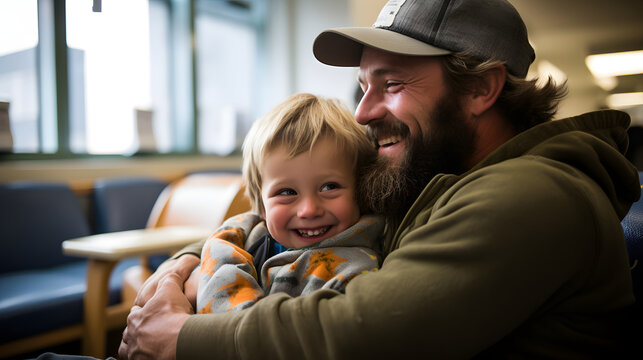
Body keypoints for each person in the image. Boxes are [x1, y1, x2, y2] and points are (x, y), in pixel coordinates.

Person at [118, 0, 641, 358]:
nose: (364, 113)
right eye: (363, 87)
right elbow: (265, 223)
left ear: (481, 87)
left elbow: (355, 337)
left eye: (391, 84)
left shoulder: (534, 194)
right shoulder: (432, 173)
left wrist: (178, 338)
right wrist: (183, 265)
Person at [183, 93, 382, 314]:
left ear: (362, 191)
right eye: (287, 192)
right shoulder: (239, 239)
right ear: (261, 205)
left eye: (329, 187)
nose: (308, 210)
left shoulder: (354, 274)